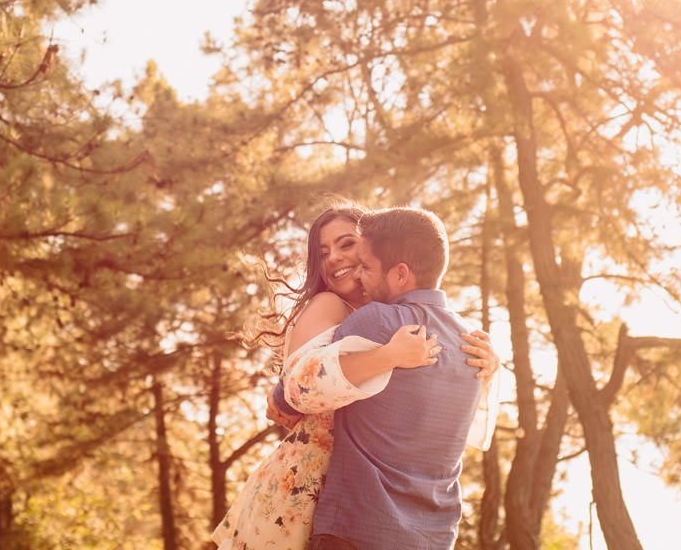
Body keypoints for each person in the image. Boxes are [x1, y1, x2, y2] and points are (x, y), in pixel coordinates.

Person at [212, 204, 498, 550]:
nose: (334, 258)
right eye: (323, 252)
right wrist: (387, 357)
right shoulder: (333, 307)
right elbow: (288, 400)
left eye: (349, 247)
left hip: (355, 508)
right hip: (308, 490)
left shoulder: (390, 318)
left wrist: (490, 367)